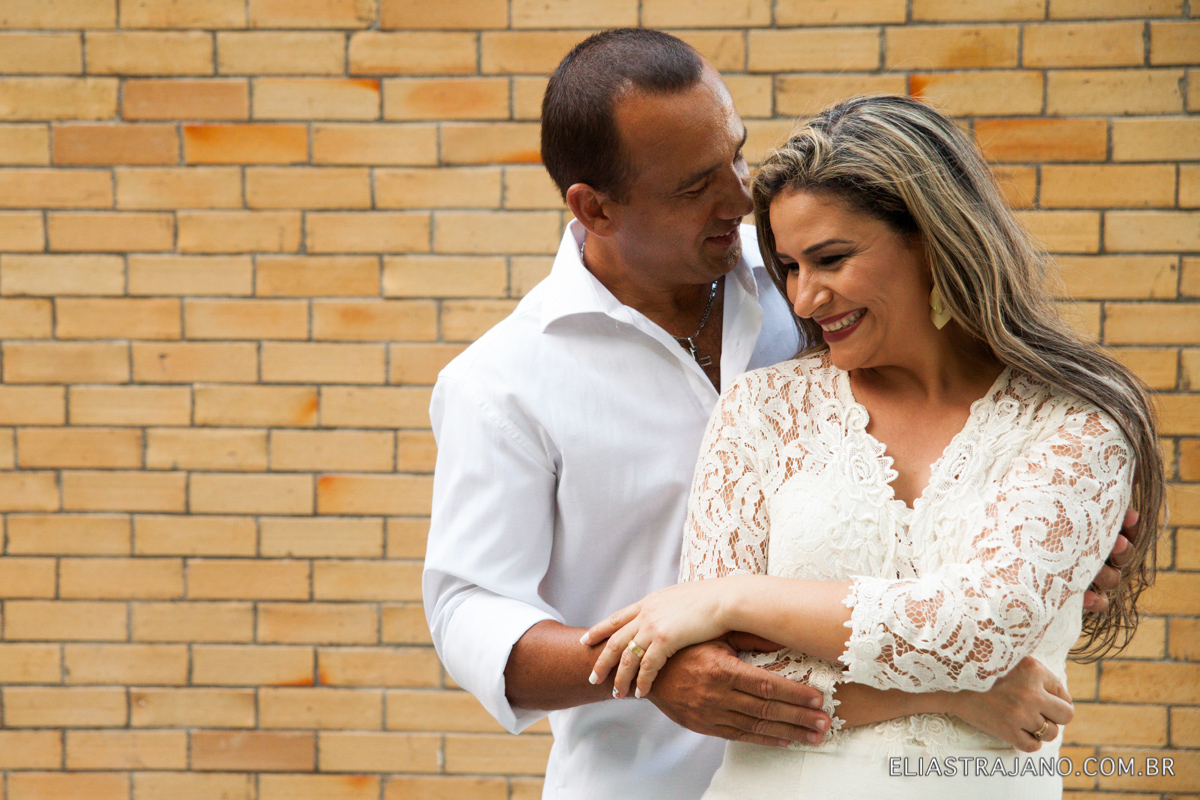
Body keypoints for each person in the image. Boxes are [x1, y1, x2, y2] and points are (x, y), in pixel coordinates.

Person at [424, 29, 1133, 800]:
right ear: (595, 208)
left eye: (735, 155)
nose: (739, 199)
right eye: (695, 186)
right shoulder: (502, 383)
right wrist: (655, 669)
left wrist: (1052, 554)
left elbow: (963, 554)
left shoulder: (818, 278)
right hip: (643, 779)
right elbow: (471, 612)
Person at [582, 94, 1164, 798]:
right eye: (789, 266)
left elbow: (985, 627)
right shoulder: (763, 410)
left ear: (933, 238)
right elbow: (725, 682)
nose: (803, 299)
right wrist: (952, 693)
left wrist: (734, 596)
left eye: (830, 259)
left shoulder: (1077, 419)